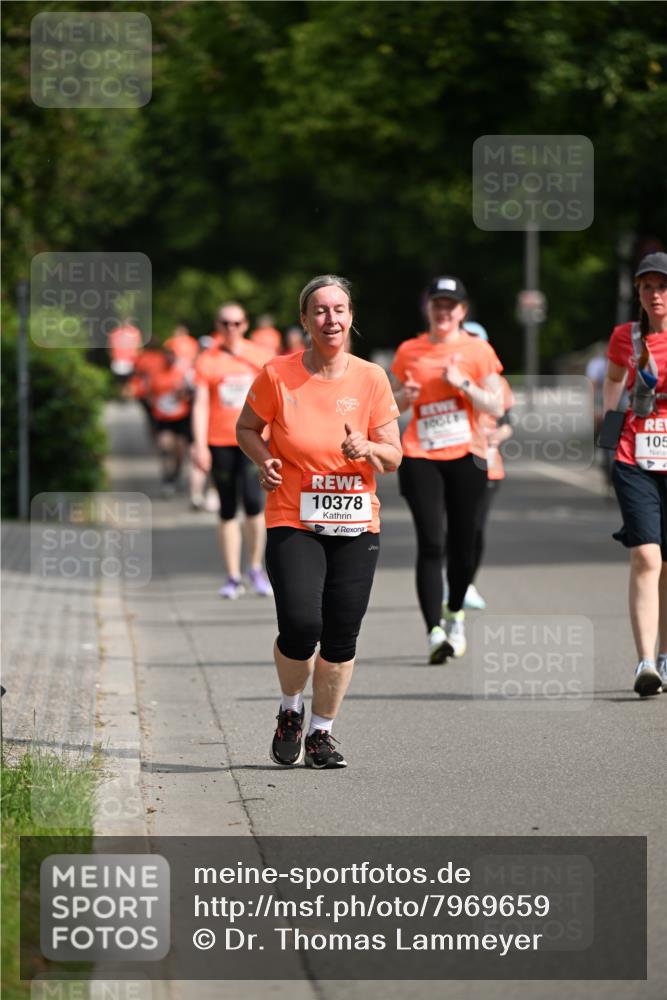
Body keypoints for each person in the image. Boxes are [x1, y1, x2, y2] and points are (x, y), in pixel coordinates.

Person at [236, 275, 401, 769]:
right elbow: (246, 428)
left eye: (340, 309)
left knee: (342, 633)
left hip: (356, 523)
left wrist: (368, 447)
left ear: (352, 318)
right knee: (303, 624)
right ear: (305, 320)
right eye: (321, 311)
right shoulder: (276, 374)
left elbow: (394, 456)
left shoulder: (371, 378)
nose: (332, 319)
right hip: (294, 516)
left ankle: (321, 734)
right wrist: (263, 459)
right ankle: (291, 710)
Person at [390, 276, 504, 663]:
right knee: (431, 542)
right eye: (437, 304)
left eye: (450, 305)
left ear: (462, 311)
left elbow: (496, 405)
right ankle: (433, 632)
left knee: (463, 544)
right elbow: (389, 407)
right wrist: (404, 397)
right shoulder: (409, 351)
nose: (443, 311)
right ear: (428, 308)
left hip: (467, 455)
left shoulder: (478, 350)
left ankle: (453, 610)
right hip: (420, 454)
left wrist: (464, 385)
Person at [604, 251, 667, 696]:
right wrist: (608, 438)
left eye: (662, 286)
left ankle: (665, 654)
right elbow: (611, 381)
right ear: (638, 294)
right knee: (647, 556)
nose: (656, 294)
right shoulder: (625, 337)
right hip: (635, 459)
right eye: (647, 287)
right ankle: (646, 661)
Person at [192, 302, 273, 598]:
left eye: (236, 323)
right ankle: (232, 576)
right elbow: (200, 403)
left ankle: (255, 567)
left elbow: (275, 397)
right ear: (218, 325)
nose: (231, 329)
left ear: (246, 325)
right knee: (227, 508)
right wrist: (199, 444)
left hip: (253, 441)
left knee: (253, 504)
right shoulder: (207, 360)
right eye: (225, 323)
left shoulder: (260, 357)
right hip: (220, 441)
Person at [441, 322, 514, 612]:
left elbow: (508, 422)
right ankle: (451, 578)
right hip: (453, 460)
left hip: (488, 464)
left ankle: (466, 581)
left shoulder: (499, 384)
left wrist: (497, 435)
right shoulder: (447, 378)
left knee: (476, 528)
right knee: (452, 524)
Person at [149, 347, 193, 497]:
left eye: (171, 357)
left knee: (180, 451)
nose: (169, 360)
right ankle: (167, 479)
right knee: (165, 446)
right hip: (163, 418)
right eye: (166, 357)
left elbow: (190, 393)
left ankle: (176, 474)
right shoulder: (156, 374)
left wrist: (182, 394)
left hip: (181, 417)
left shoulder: (182, 374)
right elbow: (150, 394)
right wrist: (156, 407)